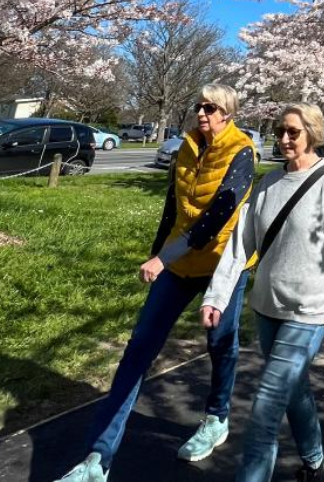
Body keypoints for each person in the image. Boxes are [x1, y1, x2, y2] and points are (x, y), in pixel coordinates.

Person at [57, 84, 256, 481]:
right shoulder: (184, 147)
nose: (201, 112)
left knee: (220, 342)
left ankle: (217, 417)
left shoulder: (242, 152)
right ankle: (98, 459)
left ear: (228, 113)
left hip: (223, 264)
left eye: (210, 107)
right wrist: (157, 253)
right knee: (140, 347)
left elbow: (220, 213)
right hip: (177, 263)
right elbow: (172, 206)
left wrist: (163, 257)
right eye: (198, 105)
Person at [201, 102, 324, 482]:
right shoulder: (268, 183)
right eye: (280, 130)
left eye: (293, 132)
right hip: (268, 306)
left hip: (311, 309)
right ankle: (316, 465)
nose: (284, 138)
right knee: (293, 390)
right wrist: (216, 296)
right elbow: (240, 244)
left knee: (266, 406)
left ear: (313, 134)